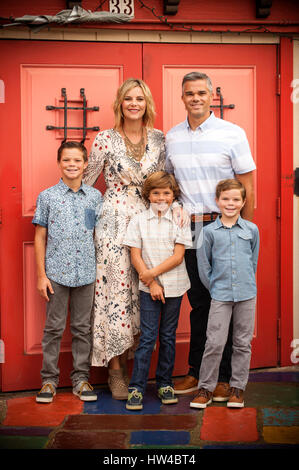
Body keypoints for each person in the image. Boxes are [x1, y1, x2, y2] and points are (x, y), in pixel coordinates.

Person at [165, 71, 256, 401]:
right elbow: (170, 182)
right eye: (190, 93)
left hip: (225, 227)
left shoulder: (231, 134)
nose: (196, 98)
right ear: (183, 97)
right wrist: (175, 205)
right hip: (190, 229)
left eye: (201, 92)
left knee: (227, 301)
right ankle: (196, 373)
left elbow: (248, 184)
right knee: (200, 303)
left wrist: (242, 230)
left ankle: (225, 377)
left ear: (211, 95)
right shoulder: (172, 137)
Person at [83, 78, 167, 400]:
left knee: (142, 290)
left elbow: (163, 183)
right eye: (128, 98)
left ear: (147, 104)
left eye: (140, 99)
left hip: (148, 224)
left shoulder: (159, 139)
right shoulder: (105, 139)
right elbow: (89, 186)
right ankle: (115, 370)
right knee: (114, 297)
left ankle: (138, 366)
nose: (134, 104)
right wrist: (84, 229)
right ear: (119, 103)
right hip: (113, 224)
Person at [33, 141, 102, 403]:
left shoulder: (95, 197)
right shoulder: (47, 196)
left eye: (77, 161)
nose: (72, 165)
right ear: (59, 163)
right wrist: (41, 275)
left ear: (85, 164)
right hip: (56, 275)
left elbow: (98, 234)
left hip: (86, 273)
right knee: (53, 328)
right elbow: (40, 237)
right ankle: (49, 381)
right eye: (66, 160)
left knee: (82, 328)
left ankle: (80, 379)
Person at [122, 171, 192, 410]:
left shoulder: (181, 219)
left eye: (166, 193)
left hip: (175, 285)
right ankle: (136, 388)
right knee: (148, 337)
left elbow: (179, 255)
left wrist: (153, 274)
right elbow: (135, 255)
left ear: (173, 196)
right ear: (147, 195)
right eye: (156, 193)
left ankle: (165, 384)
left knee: (167, 337)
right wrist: (151, 282)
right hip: (148, 289)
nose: (161, 197)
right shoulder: (138, 220)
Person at [190, 179, 259, 409]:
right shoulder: (208, 232)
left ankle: (237, 387)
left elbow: (253, 260)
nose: (231, 203)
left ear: (243, 202)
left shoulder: (251, 230)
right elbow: (203, 268)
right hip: (220, 295)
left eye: (236, 199)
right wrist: (217, 289)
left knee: (241, 343)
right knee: (215, 342)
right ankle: (205, 388)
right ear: (217, 201)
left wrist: (244, 283)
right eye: (226, 199)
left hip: (247, 294)